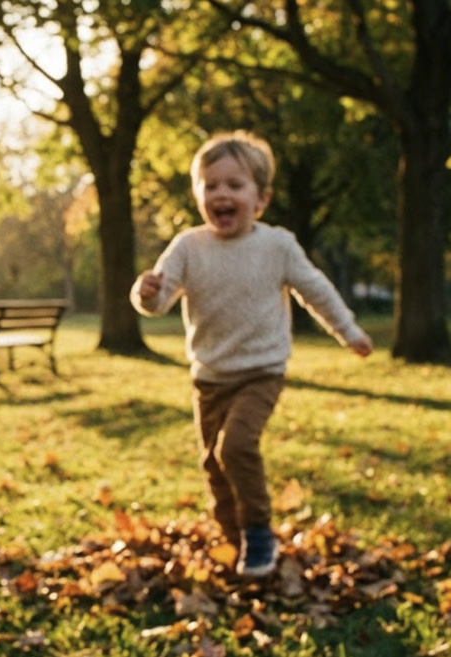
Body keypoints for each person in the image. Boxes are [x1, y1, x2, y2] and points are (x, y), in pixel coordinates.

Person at [130, 131, 373, 578]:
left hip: (261, 371)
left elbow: (315, 291)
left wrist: (348, 331)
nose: (221, 194)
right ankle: (235, 540)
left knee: (236, 447)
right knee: (214, 469)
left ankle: (259, 532)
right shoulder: (187, 246)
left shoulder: (277, 245)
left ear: (260, 198)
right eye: (211, 185)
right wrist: (144, 293)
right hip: (208, 378)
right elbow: (158, 298)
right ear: (199, 194)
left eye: (234, 185)